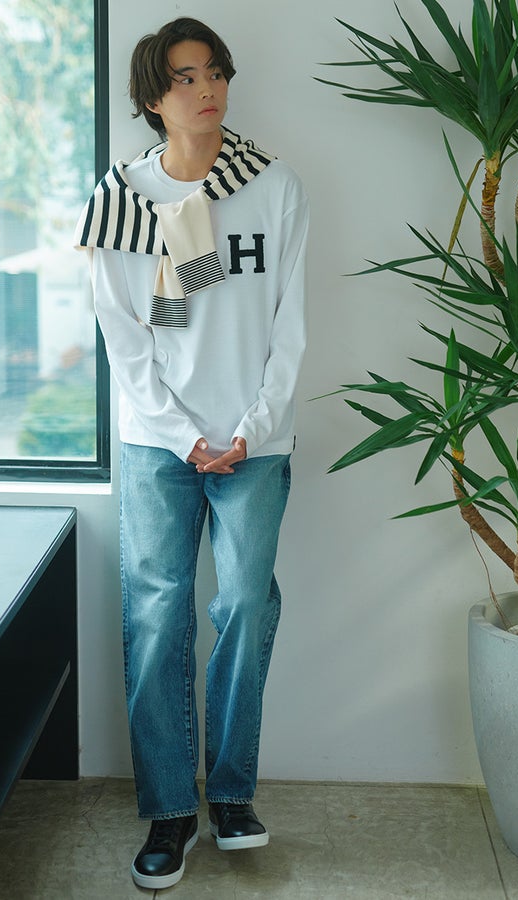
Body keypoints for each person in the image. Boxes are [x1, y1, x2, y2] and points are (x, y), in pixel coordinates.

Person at [74, 17, 308, 890]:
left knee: (245, 602)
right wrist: (184, 435)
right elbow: (128, 338)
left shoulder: (273, 187)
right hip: (157, 443)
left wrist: (252, 425)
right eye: (184, 77)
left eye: (215, 72)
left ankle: (233, 794)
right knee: (156, 614)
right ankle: (170, 808)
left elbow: (289, 324)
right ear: (151, 96)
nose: (207, 89)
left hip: (256, 439)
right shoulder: (122, 200)